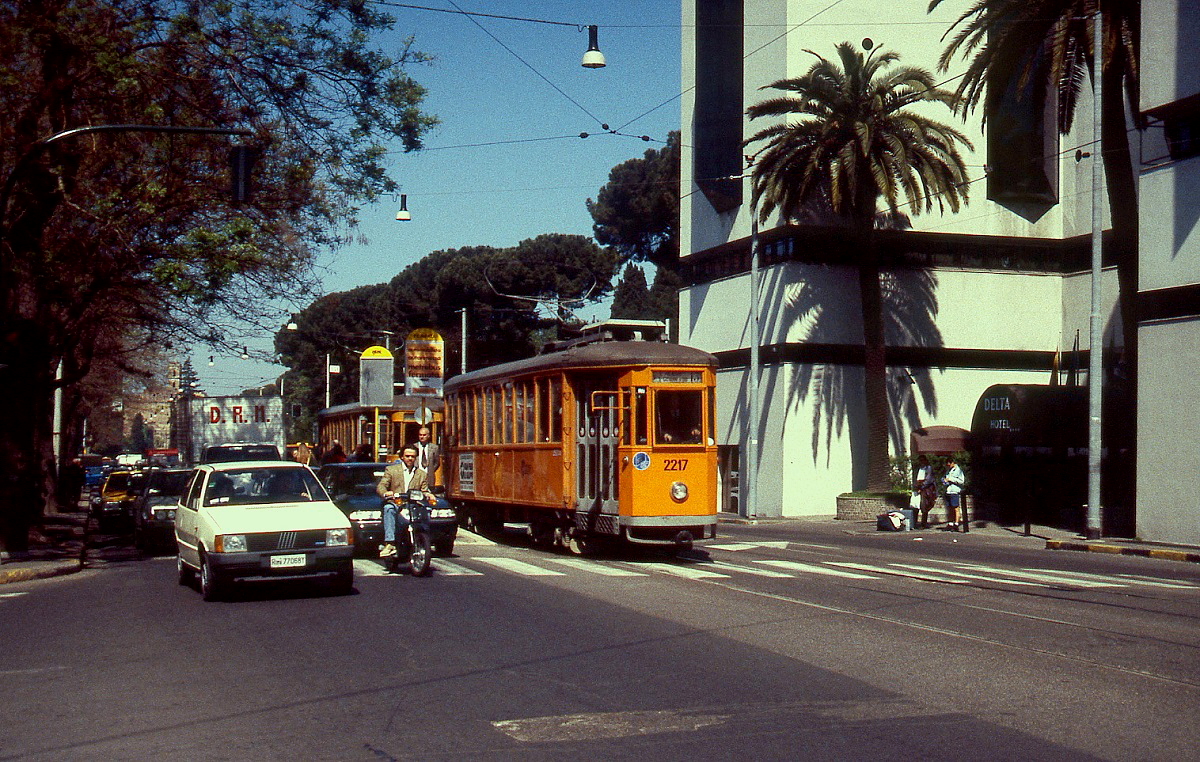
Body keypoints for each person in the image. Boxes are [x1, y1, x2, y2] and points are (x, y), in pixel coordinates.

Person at [375, 444, 434, 558]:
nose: (410, 459)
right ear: (402, 457)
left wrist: (429, 495)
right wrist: (386, 493)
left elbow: (424, 490)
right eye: (407, 456)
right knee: (389, 509)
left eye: (413, 456)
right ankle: (390, 543)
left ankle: (424, 538)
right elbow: (381, 486)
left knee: (427, 510)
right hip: (396, 503)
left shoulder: (421, 474)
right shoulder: (392, 470)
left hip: (413, 505)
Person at [942, 455, 966, 532]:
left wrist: (951, 479)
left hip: (955, 491)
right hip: (949, 490)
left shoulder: (958, 470)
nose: (948, 466)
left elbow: (962, 481)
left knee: (956, 508)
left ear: (952, 463)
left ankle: (956, 523)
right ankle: (950, 523)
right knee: (950, 508)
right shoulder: (949, 470)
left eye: (949, 464)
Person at [914, 455, 937, 529]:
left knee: (924, 506)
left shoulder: (928, 468)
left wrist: (921, 486)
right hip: (919, 488)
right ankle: (915, 522)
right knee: (916, 506)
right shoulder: (919, 468)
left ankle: (923, 524)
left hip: (925, 489)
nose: (921, 462)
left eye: (922, 460)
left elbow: (928, 480)